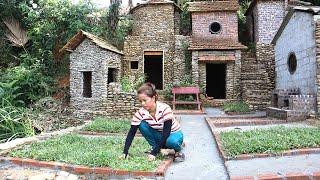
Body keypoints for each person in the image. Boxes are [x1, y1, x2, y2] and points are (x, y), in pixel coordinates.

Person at [120, 82, 185, 162]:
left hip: (173, 133)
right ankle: (158, 148)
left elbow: (166, 133)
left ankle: (178, 149)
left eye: (145, 100)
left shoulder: (165, 108)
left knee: (172, 142)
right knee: (141, 124)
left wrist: (154, 153)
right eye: (140, 101)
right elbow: (131, 133)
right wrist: (125, 152)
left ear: (153, 98)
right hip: (159, 134)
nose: (143, 104)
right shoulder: (140, 113)